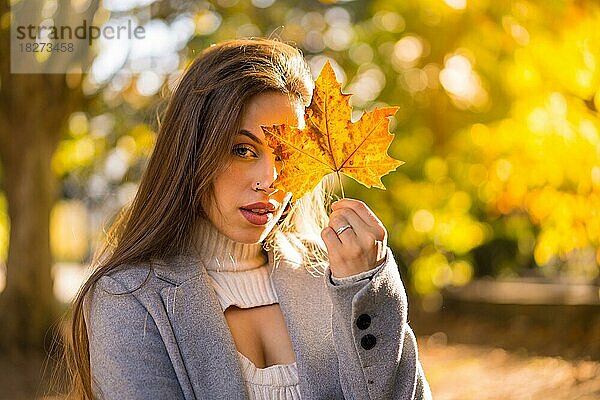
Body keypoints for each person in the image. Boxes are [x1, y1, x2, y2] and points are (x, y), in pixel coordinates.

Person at [64, 37, 431, 400]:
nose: (269, 180)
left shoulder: (339, 277)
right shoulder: (130, 299)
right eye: (242, 150)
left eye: (285, 154)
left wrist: (365, 293)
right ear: (192, 151)